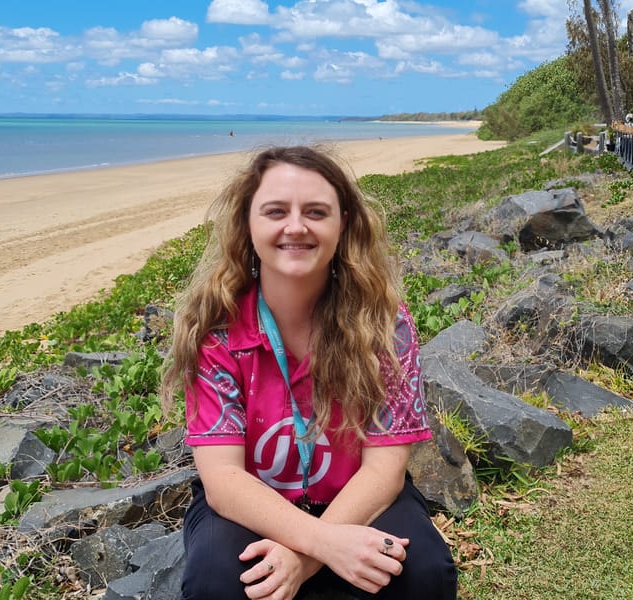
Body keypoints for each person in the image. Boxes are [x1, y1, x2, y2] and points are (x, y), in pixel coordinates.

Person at [161, 145, 458, 600]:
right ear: (247, 224)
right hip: (253, 502)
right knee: (217, 583)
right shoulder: (216, 329)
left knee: (423, 573)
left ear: (343, 225)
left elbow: (385, 470)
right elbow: (222, 481)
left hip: (357, 493)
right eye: (276, 211)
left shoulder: (384, 324)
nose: (296, 226)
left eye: (316, 212)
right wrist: (323, 543)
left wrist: (302, 560)